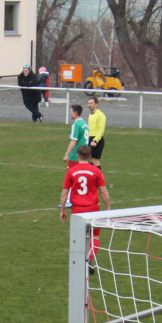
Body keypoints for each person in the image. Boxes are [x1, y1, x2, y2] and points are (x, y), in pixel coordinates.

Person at [58, 144, 110, 272]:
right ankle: (89, 258)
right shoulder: (96, 171)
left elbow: (65, 193)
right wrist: (108, 208)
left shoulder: (71, 171)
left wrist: (63, 210)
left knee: (78, 237)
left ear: (77, 156)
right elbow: (103, 191)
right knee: (95, 237)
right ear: (90, 156)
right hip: (93, 209)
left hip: (77, 210)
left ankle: (79, 263)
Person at [86, 96, 107, 168]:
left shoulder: (100, 115)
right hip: (90, 139)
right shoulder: (91, 115)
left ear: (96, 104)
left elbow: (101, 129)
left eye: (91, 103)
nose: (89, 105)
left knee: (95, 160)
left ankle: (100, 178)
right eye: (88, 103)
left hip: (97, 140)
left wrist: (95, 140)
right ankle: (93, 177)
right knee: (89, 160)